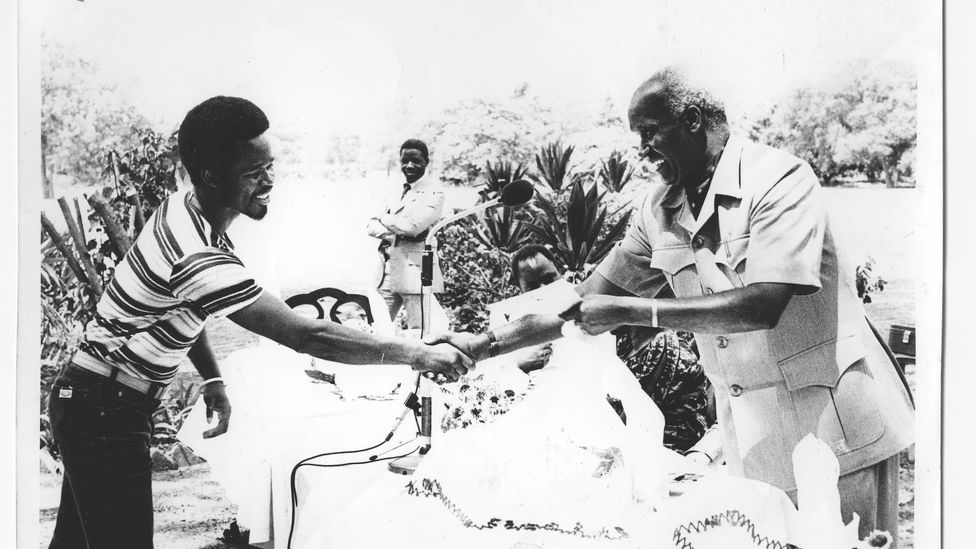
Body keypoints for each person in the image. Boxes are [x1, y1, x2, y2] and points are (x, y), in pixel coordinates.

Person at [431, 66, 914, 540]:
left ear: (693, 122)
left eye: (649, 132)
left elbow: (762, 305)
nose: (641, 151)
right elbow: (582, 301)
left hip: (838, 437)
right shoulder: (659, 207)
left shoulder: (780, 179)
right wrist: (481, 346)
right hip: (751, 442)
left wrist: (633, 313)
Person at [46, 97, 473, 549]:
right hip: (104, 411)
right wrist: (418, 353)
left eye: (270, 166)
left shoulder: (184, 207)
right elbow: (305, 333)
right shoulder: (197, 253)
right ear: (211, 175)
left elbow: (186, 307)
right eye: (255, 173)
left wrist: (212, 377)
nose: (270, 182)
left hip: (93, 400)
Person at [510, 244, 713, 453]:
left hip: (668, 425)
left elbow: (628, 395)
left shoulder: (592, 306)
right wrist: (521, 367)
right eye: (533, 285)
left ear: (560, 274)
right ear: (520, 290)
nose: (545, 289)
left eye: (549, 278)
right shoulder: (517, 327)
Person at [367, 139, 446, 329]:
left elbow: (413, 227)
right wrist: (396, 234)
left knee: (418, 333)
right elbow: (370, 225)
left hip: (416, 272)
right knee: (376, 330)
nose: (409, 166)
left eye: (416, 161)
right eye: (405, 161)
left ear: (426, 162)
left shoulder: (435, 193)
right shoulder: (393, 189)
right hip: (386, 272)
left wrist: (383, 218)